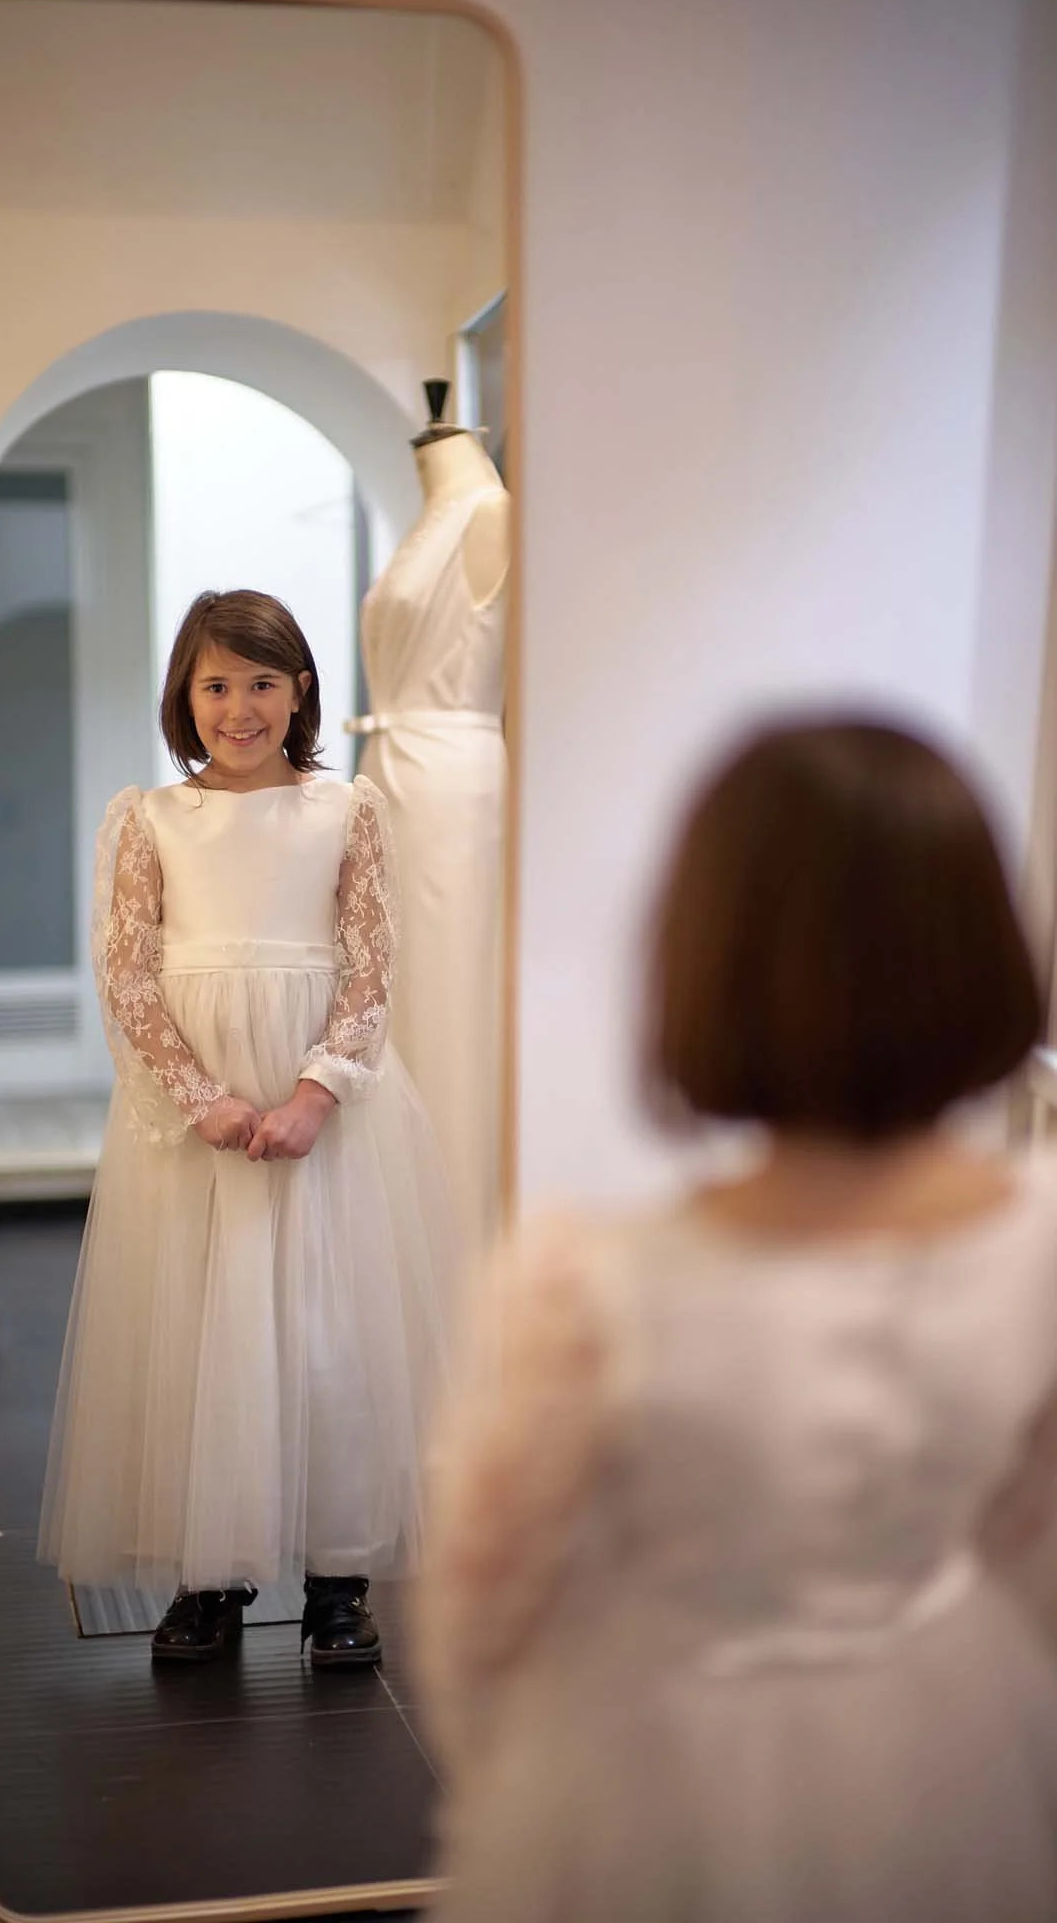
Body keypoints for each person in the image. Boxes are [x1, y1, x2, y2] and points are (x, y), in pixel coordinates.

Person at [415, 715, 1057, 1920]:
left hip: (657, 1759)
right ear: (982, 946)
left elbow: (482, 1603)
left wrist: (515, 1777)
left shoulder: (588, 1284)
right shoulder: (1040, 1240)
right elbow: (1034, 1542)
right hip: (958, 1739)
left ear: (707, 958)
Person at [38, 590, 452, 1669]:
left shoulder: (343, 808)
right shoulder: (151, 818)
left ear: (300, 688)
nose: (240, 705)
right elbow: (127, 972)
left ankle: (337, 1572)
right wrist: (198, 1094)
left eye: (263, 682)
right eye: (216, 684)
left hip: (322, 1101)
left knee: (326, 1329)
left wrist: (318, 1089)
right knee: (202, 1326)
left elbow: (370, 962)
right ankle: (211, 1574)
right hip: (201, 1108)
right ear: (186, 693)